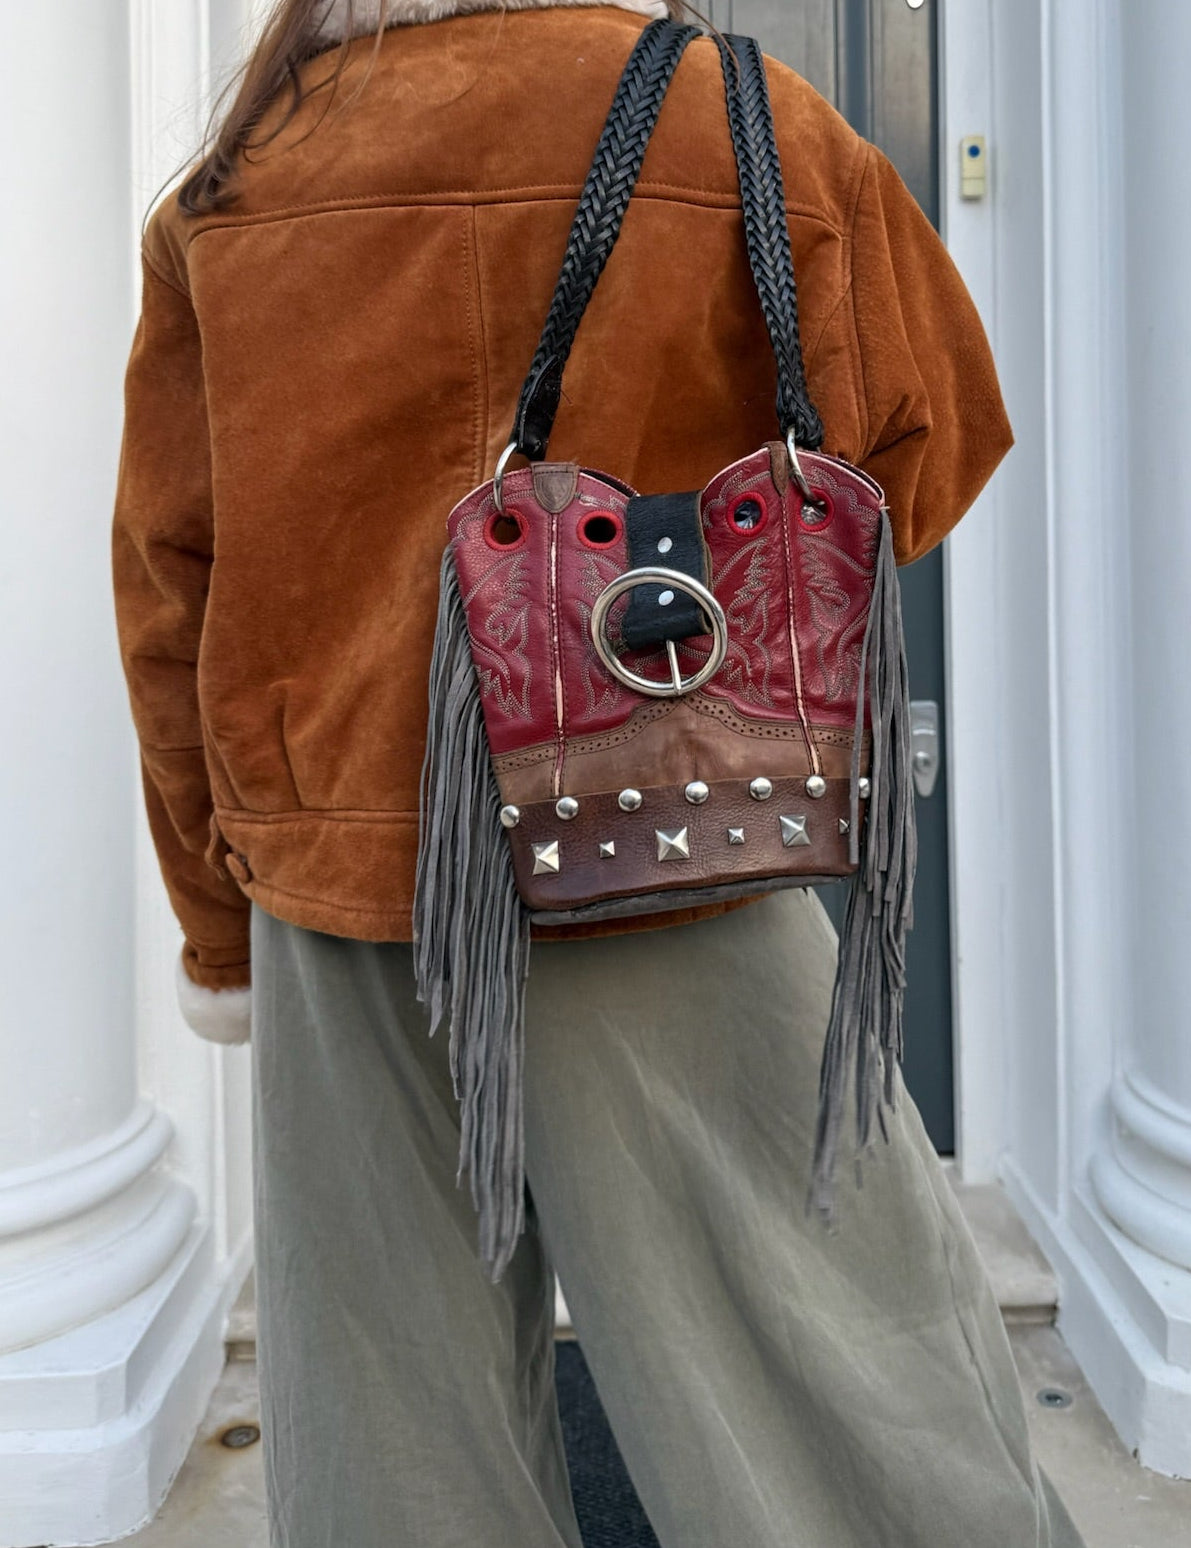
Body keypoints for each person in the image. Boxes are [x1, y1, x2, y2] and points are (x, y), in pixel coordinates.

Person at [110, 3, 1087, 1545]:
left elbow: (173, 595)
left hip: (344, 890)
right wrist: (694, 622)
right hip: (666, 844)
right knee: (834, 1380)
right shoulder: (729, 112)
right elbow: (929, 435)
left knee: (395, 1442)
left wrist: (219, 935)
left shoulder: (241, 178)